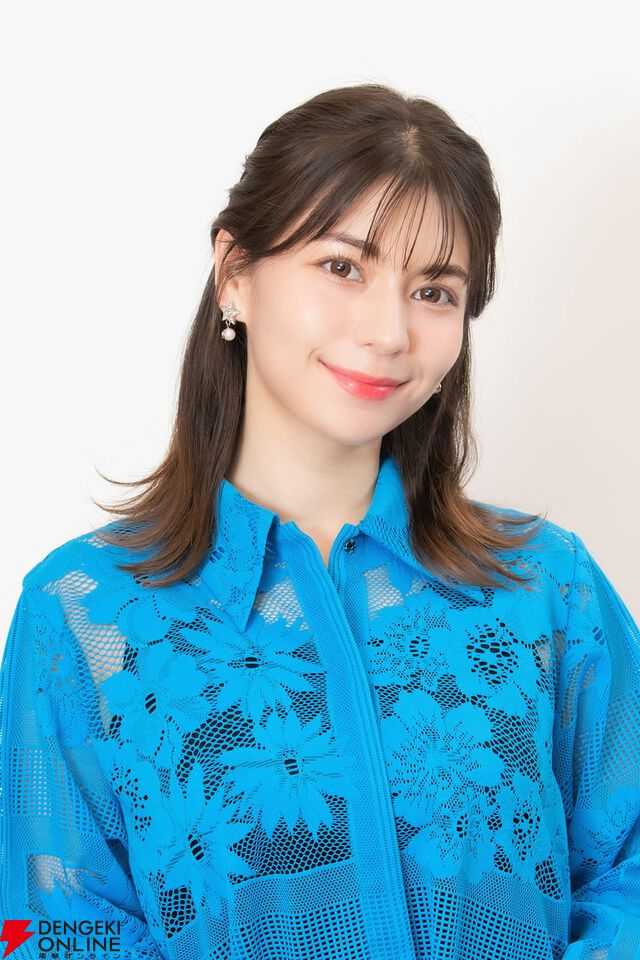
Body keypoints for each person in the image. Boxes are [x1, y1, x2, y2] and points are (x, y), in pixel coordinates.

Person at [1, 82, 638, 960]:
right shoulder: (84, 615)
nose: (388, 331)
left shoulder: (545, 587)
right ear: (235, 272)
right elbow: (53, 931)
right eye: (343, 267)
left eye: (435, 291)